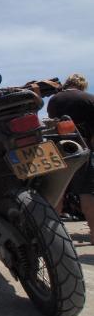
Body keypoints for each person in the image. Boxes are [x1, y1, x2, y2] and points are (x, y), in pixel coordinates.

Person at [48, 73, 94, 244]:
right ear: (82, 85)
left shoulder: (54, 100)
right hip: (80, 147)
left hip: (57, 149)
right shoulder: (89, 99)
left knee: (58, 191)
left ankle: (53, 236)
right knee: (87, 191)